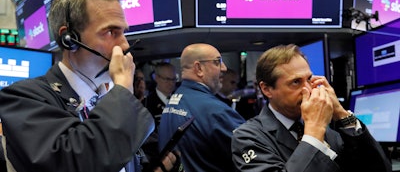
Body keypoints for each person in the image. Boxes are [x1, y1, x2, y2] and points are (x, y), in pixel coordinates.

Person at [0, 0, 176, 172]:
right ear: (69, 39)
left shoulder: (110, 99)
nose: (125, 45)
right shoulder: (23, 98)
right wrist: (124, 89)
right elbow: (80, 162)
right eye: (111, 32)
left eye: (123, 32)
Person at [231, 44, 392, 172]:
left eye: (309, 79)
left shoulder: (330, 132)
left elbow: (379, 168)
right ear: (267, 89)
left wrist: (342, 115)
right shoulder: (248, 137)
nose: (308, 89)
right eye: (296, 82)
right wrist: (314, 132)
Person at [159, 43, 246, 172]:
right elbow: (253, 155)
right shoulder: (214, 109)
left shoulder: (175, 100)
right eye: (217, 62)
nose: (224, 68)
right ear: (198, 68)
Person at [145, 62, 177, 128]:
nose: (171, 83)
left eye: (173, 79)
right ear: (157, 78)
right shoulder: (146, 104)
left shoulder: (180, 100)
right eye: (167, 79)